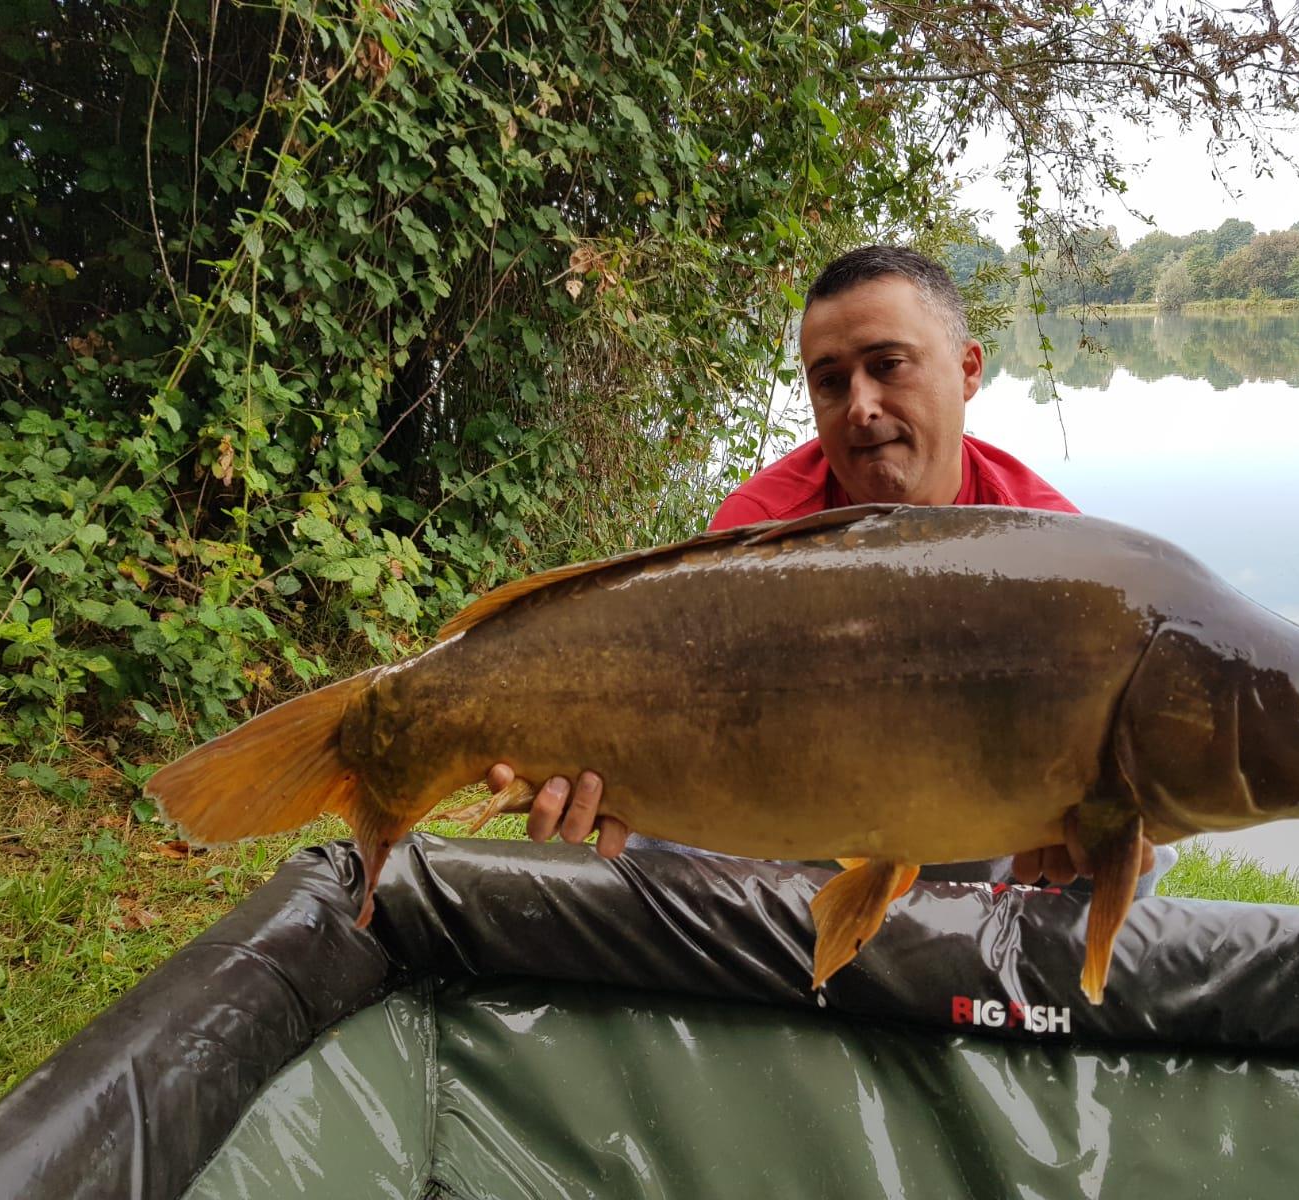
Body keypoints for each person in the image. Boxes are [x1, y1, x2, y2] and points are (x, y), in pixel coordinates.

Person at [486, 245, 1170, 891]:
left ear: (967, 370)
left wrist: (1082, 831)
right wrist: (596, 772)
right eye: (832, 382)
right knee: (648, 860)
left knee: (1135, 865)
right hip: (781, 808)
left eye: (889, 364)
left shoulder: (1056, 551)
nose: (862, 406)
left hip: (974, 823)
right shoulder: (760, 527)